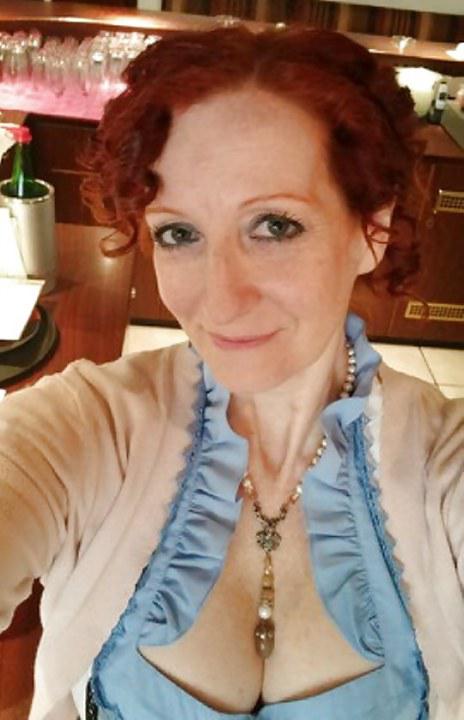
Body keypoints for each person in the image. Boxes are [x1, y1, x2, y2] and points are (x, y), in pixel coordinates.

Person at [0, 25, 463, 720]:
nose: (219, 299)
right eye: (179, 233)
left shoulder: (443, 464)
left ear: (372, 229)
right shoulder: (93, 424)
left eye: (274, 226)